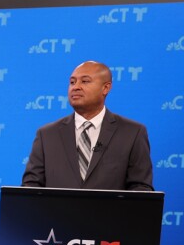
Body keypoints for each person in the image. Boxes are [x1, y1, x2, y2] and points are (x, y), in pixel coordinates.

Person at [21, 60, 153, 191]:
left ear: (106, 88)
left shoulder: (132, 133)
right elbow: (31, 186)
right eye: (72, 82)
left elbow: (141, 188)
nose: (76, 87)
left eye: (85, 81)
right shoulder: (47, 135)